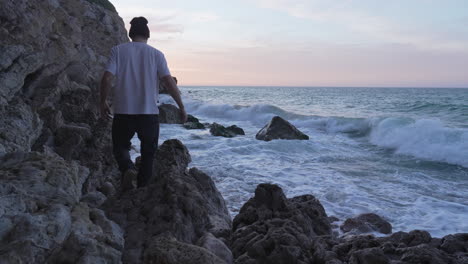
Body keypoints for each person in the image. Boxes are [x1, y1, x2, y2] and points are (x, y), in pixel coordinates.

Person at [99, 16, 187, 191]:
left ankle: (128, 169)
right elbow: (169, 82)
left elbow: (107, 78)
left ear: (131, 33)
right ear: (147, 34)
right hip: (148, 113)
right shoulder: (156, 54)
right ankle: (141, 190)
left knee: (120, 148)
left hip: (123, 112)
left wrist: (102, 102)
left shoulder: (118, 51)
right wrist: (181, 107)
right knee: (148, 154)